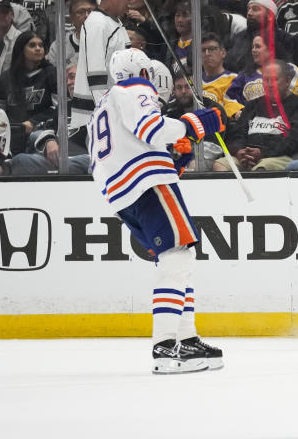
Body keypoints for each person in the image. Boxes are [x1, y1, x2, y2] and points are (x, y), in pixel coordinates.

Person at [88, 48, 225, 374]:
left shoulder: (99, 110)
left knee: (177, 259)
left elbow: (128, 148)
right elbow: (151, 129)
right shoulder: (135, 88)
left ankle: (187, 337)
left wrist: (173, 160)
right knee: (178, 257)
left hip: (121, 197)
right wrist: (194, 123)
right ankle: (165, 347)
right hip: (147, 185)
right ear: (144, 73)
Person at [72, 0, 132, 125]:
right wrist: (106, 112)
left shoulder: (114, 22)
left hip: (112, 108)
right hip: (95, 114)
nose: (130, 3)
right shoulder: (97, 24)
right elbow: (95, 74)